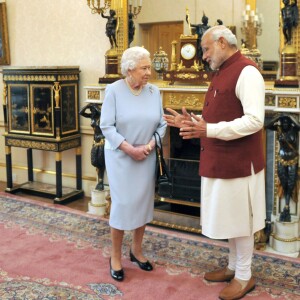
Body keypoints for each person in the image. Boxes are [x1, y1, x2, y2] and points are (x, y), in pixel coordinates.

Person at [164, 25, 266, 300]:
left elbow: (255, 120)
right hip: (220, 160)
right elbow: (219, 116)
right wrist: (190, 124)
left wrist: (207, 130)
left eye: (206, 49)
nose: (204, 56)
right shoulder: (222, 72)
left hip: (239, 164)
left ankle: (245, 276)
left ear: (222, 42)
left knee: (241, 221)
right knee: (230, 218)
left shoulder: (247, 72)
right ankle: (233, 267)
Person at [100, 46, 167, 281]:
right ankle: (115, 256)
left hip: (146, 156)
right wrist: (129, 148)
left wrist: (149, 147)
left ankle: (136, 251)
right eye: (145, 67)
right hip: (120, 156)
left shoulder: (154, 92)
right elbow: (106, 126)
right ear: (130, 69)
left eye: (149, 67)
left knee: (142, 203)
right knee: (122, 205)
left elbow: (162, 125)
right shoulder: (114, 90)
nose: (149, 72)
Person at [266, 114, 299, 222]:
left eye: (286, 122)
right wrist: (278, 117)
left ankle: (287, 206)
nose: (284, 124)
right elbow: (267, 126)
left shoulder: (294, 129)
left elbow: (299, 126)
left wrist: (290, 117)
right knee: (283, 182)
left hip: (293, 160)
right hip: (281, 160)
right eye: (283, 122)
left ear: (290, 123)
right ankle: (286, 207)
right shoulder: (279, 128)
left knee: (291, 183)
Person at [79, 103, 105, 190]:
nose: (92, 112)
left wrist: (95, 107)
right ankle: (100, 181)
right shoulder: (92, 117)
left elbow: (102, 113)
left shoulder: (102, 116)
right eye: (91, 111)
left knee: (102, 162)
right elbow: (81, 112)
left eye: (93, 110)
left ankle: (102, 182)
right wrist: (87, 106)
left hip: (102, 141)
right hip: (95, 141)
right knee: (95, 162)